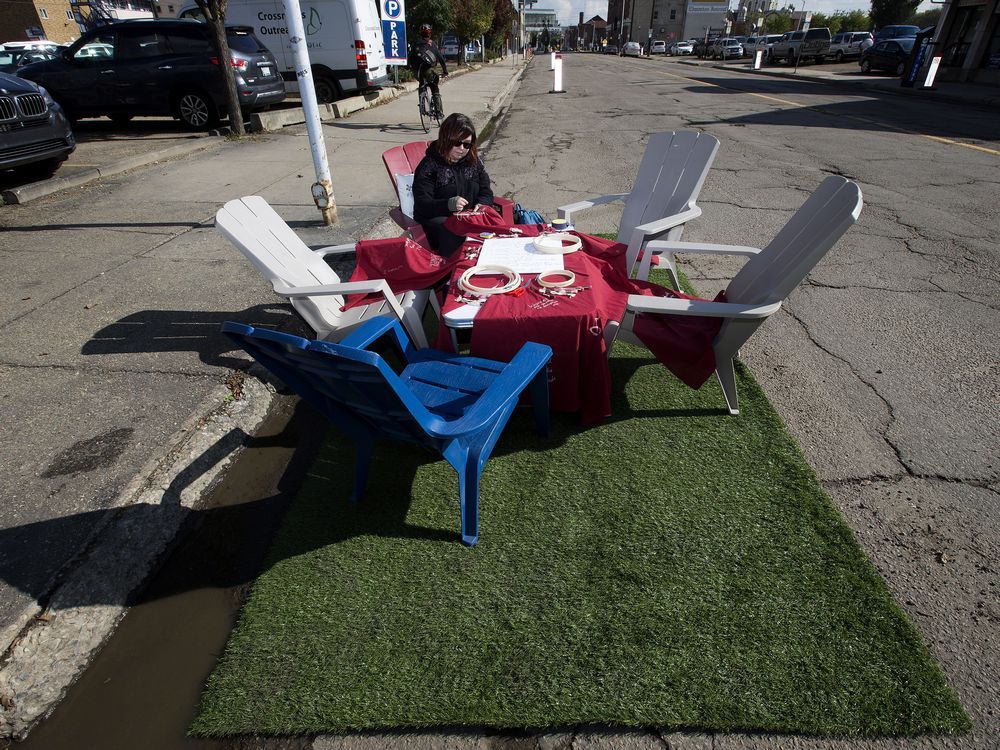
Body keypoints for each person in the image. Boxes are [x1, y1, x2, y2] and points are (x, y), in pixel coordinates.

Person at [412, 113, 495, 257]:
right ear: (446, 139)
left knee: (494, 227)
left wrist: (482, 203)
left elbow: (486, 191)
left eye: (467, 144)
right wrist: (448, 204)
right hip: (437, 220)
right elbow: (422, 204)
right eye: (457, 142)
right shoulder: (429, 166)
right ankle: (456, 267)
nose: (462, 148)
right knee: (454, 231)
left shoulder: (474, 162)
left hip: (469, 218)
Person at [408, 24, 447, 116]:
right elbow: (441, 59)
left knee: (422, 85)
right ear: (430, 33)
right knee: (434, 88)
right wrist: (445, 71)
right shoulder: (432, 44)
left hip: (419, 72)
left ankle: (422, 105)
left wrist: (412, 69)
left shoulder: (415, 44)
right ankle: (438, 112)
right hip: (430, 72)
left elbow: (410, 58)